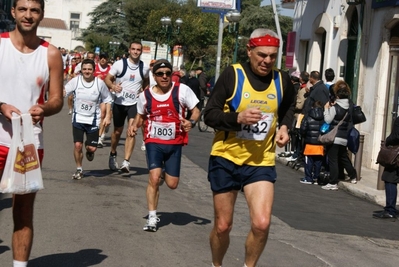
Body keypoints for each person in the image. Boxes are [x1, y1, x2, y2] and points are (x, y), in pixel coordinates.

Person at [203, 28, 296, 267]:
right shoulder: (233, 75)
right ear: (249, 50)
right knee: (223, 226)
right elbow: (209, 115)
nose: (267, 60)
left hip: (260, 161)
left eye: (272, 56)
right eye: (262, 55)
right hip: (226, 158)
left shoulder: (282, 79)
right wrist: (237, 119)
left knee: (262, 223)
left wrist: (285, 128)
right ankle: (216, 264)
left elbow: (288, 107)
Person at [0, 0, 64, 266]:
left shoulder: (50, 54)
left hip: (28, 144)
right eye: (23, 9)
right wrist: (1, 105)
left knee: (23, 211)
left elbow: (58, 99)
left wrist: (44, 108)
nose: (28, 15)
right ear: (13, 12)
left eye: (34, 10)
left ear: (41, 15)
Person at [127, 59, 200, 232]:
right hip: (153, 142)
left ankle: (165, 171)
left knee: (172, 184)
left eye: (168, 73)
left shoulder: (182, 90)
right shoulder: (145, 96)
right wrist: (133, 126)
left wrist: (191, 122)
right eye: (160, 74)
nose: (165, 76)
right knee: (153, 178)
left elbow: (196, 110)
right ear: (154, 76)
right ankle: (152, 217)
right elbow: (141, 116)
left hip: (175, 143)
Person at [104, 41, 149, 173]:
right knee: (117, 132)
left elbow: (147, 80)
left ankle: (126, 161)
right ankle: (113, 153)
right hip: (119, 102)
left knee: (132, 130)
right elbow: (107, 78)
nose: (135, 52)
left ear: (141, 52)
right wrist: (113, 86)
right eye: (133, 49)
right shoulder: (120, 64)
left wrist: (143, 89)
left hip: (134, 103)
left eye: (138, 50)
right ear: (129, 50)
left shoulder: (144, 67)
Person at [64, 59, 112, 179]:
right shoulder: (76, 81)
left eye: (89, 69)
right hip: (78, 118)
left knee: (91, 148)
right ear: (81, 70)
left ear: (93, 71)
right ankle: (79, 169)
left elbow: (108, 99)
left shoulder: (99, 83)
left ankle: (89, 149)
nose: (87, 71)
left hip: (93, 120)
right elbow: (64, 92)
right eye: (84, 69)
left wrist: (107, 116)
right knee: (77, 145)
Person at [321, 80, 357, 191]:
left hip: (334, 136)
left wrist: (326, 109)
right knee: (343, 157)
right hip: (344, 136)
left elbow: (327, 120)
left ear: (337, 95)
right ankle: (353, 176)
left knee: (333, 160)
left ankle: (333, 182)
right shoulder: (349, 106)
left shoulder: (335, 108)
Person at [373, 116, 399, 220]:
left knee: (390, 179)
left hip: (396, 157)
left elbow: (396, 136)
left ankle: (390, 210)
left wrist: (388, 140)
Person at [299, 101, 325, 184]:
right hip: (320, 143)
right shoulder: (324, 117)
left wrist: (304, 136)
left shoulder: (308, 116)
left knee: (309, 161)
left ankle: (308, 178)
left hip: (309, 142)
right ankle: (316, 177)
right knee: (318, 161)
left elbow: (303, 129)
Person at [93, 52, 112, 148]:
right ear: (98, 58)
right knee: (97, 116)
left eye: (105, 58)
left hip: (106, 95)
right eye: (101, 57)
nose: (103, 59)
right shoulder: (94, 67)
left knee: (103, 114)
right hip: (95, 94)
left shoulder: (110, 69)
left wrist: (112, 85)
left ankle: (100, 137)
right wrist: (96, 78)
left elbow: (114, 79)